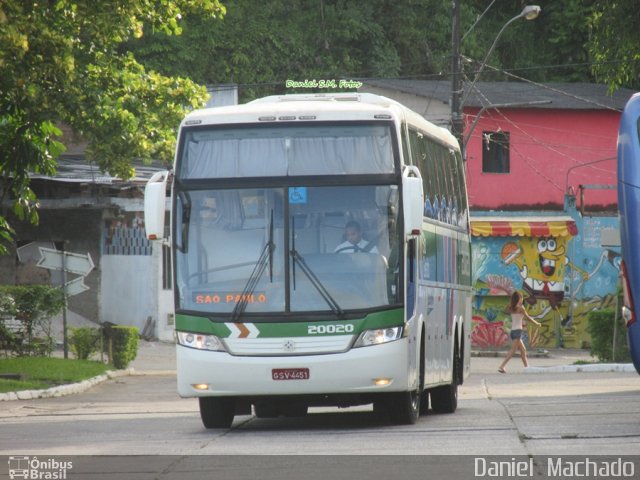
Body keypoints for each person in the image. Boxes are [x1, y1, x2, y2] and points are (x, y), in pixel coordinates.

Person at [498, 291, 541, 373]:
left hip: (513, 331)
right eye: (521, 298)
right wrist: (537, 323)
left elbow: (505, 310)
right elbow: (528, 318)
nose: (522, 299)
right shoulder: (521, 308)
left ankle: (527, 367)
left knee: (523, 350)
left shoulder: (511, 307)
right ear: (518, 299)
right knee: (513, 351)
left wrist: (512, 303)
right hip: (518, 331)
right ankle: (502, 366)